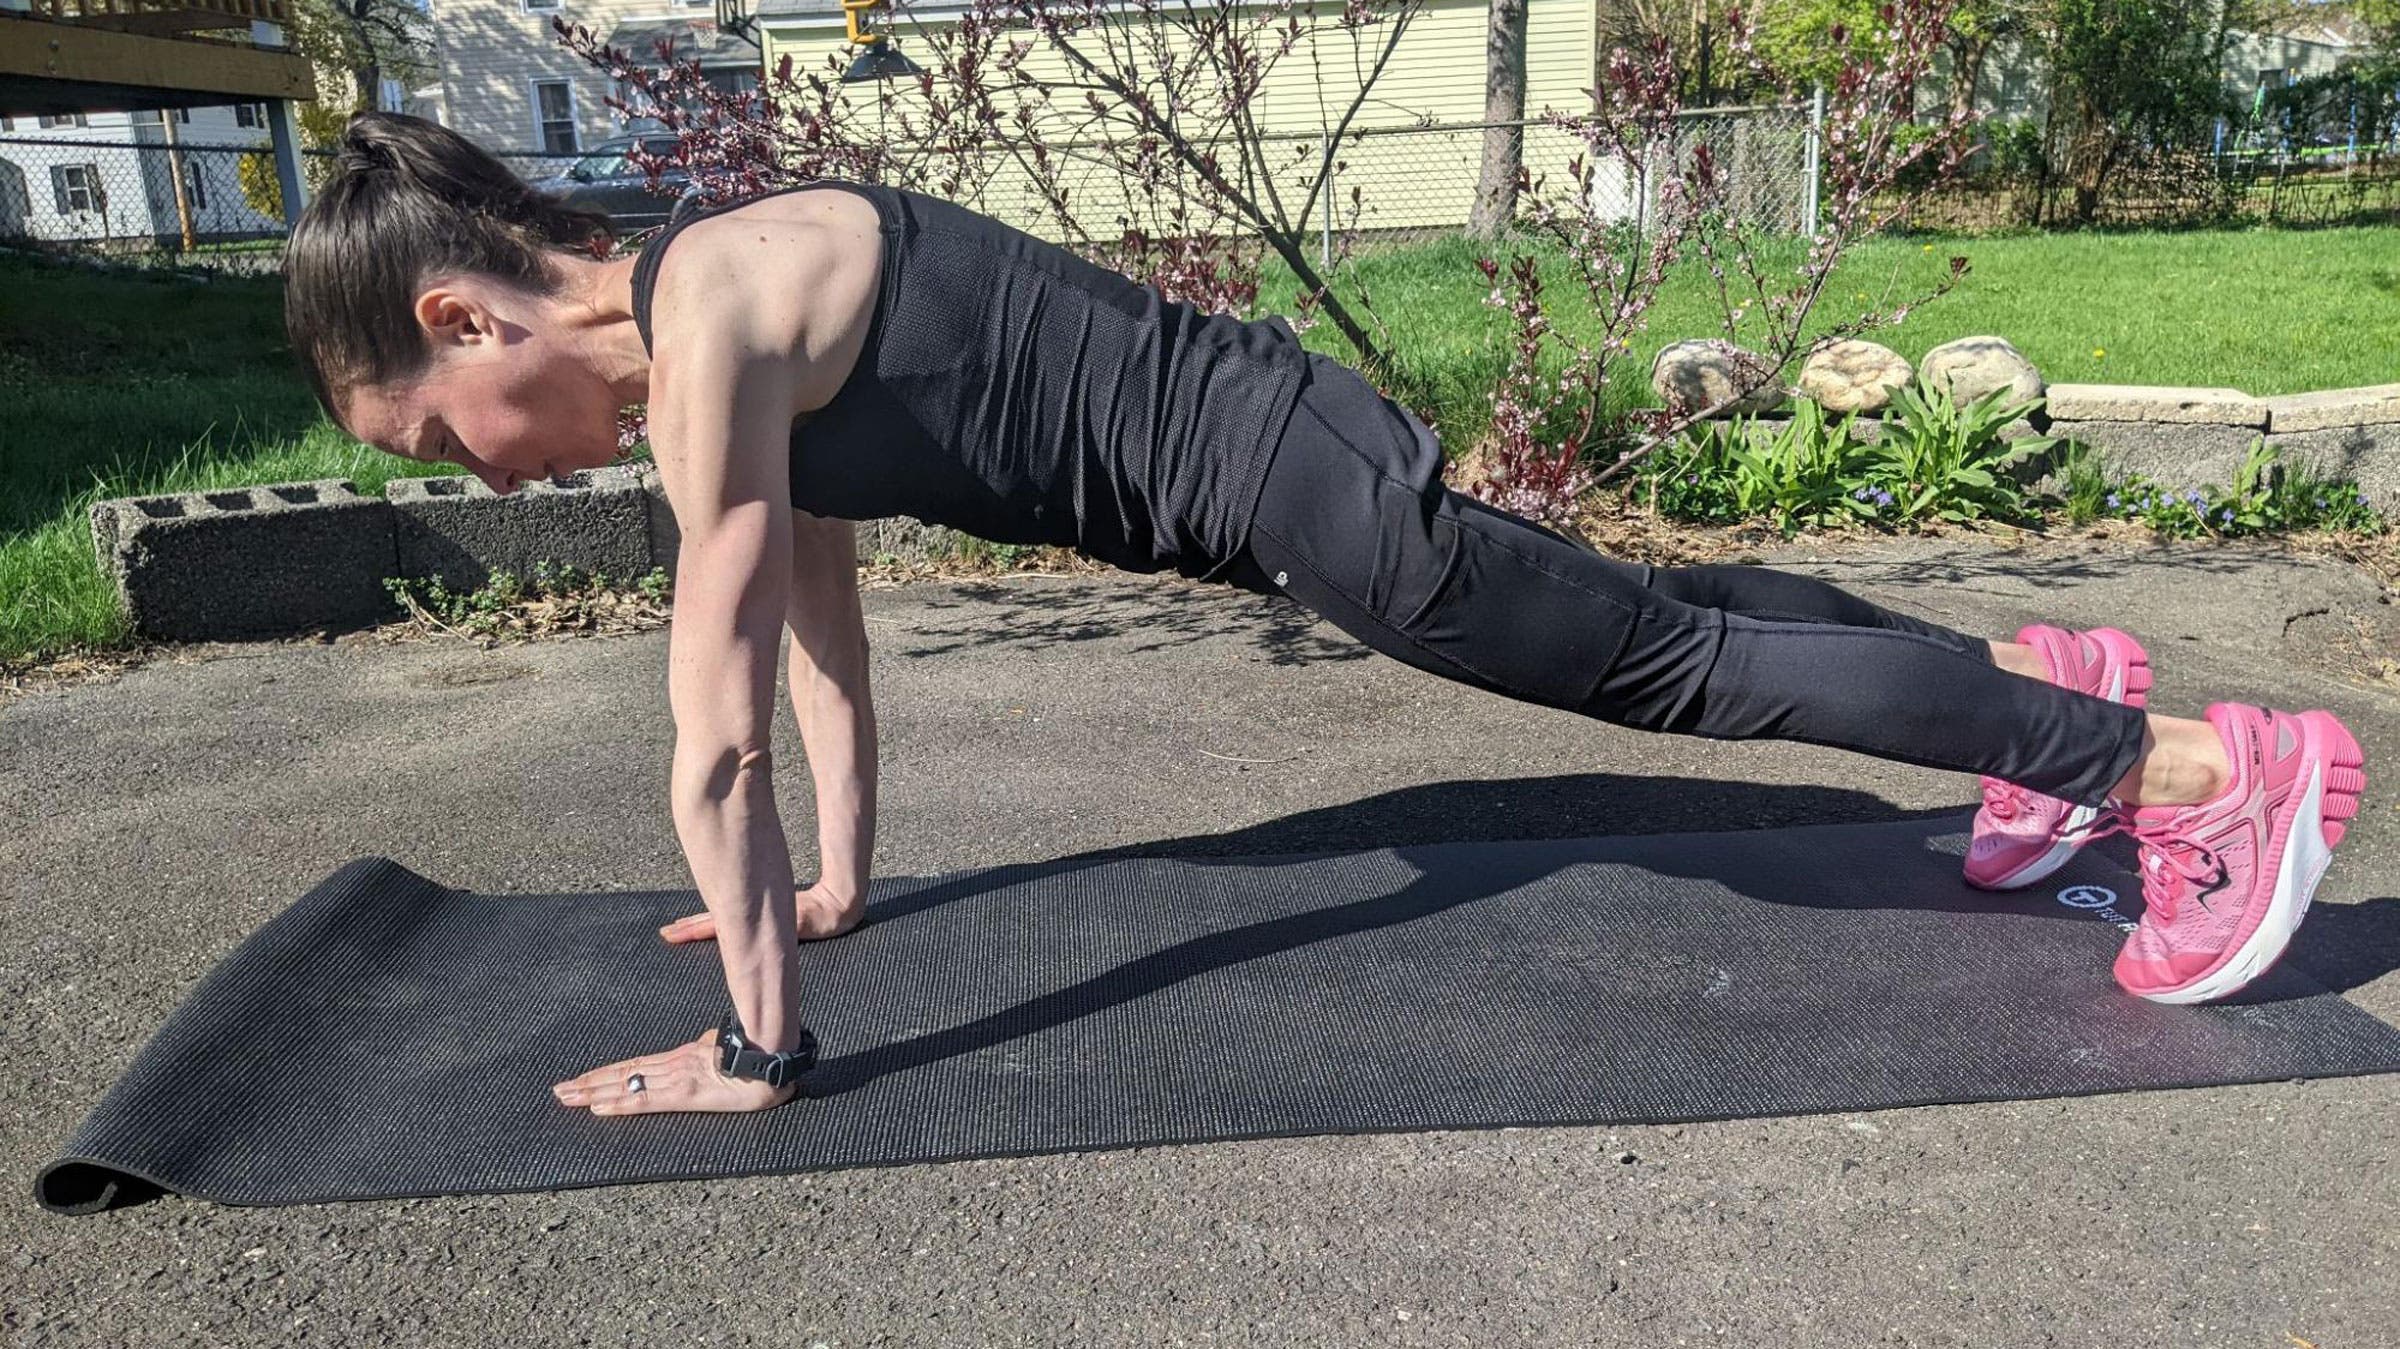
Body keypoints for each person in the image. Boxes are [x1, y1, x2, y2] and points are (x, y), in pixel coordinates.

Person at [282, 113, 2368, 1117]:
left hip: (1309, 501)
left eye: (438, 436)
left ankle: (2190, 770)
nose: (485, 476)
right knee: (1660, 613)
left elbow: (713, 727)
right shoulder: (723, 302)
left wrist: (755, 1047)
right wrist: (832, 891)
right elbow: (817, 633)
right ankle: (2037, 696)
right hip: (1297, 463)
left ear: (464, 319)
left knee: (1676, 666)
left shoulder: (714, 324)